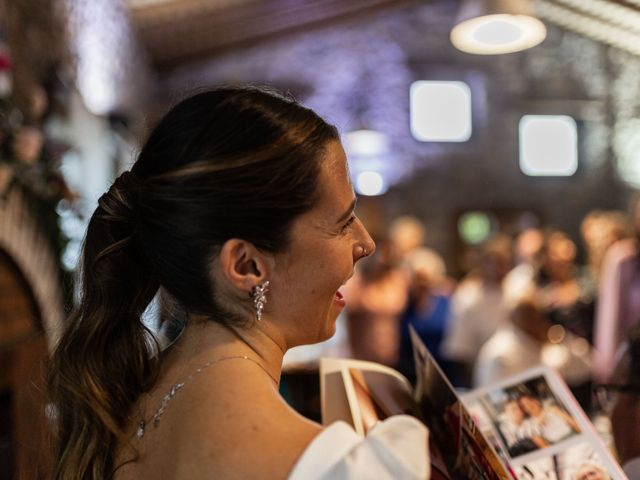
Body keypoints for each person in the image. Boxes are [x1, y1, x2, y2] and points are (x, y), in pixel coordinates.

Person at [47, 87, 429, 479]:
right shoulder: (341, 469)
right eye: (344, 221)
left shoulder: (124, 399)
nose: (366, 243)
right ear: (246, 265)